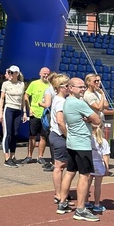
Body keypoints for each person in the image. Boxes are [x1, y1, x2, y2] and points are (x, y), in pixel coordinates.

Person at [58, 77, 102, 222]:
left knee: (70, 172)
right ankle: (81, 209)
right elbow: (97, 120)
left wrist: (87, 118)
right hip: (82, 144)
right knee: (85, 176)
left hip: (72, 142)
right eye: (80, 87)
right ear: (70, 88)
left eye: (83, 87)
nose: (83, 89)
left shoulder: (67, 102)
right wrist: (89, 119)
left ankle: (62, 203)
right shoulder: (78, 103)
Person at [83, 73, 114, 176]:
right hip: (93, 123)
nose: (98, 83)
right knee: (95, 143)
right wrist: (102, 97)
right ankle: (93, 166)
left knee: (102, 143)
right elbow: (99, 107)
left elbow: (106, 105)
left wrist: (102, 97)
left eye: (98, 81)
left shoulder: (97, 93)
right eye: (95, 81)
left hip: (100, 120)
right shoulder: (88, 95)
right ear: (88, 82)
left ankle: (105, 167)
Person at [0, 65, 27, 167]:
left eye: (12, 72)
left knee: (15, 133)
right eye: (9, 72)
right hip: (9, 109)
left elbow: (22, 99)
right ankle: (7, 158)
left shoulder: (21, 84)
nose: (10, 74)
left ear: (17, 74)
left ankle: (12, 155)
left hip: (18, 109)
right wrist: (1, 112)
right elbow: (2, 98)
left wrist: (24, 112)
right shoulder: (5, 84)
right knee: (8, 133)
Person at [49, 73, 71, 209]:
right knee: (60, 166)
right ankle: (59, 194)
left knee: (60, 165)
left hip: (56, 135)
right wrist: (68, 136)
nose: (69, 87)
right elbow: (60, 122)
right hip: (59, 136)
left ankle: (61, 193)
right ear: (60, 87)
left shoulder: (58, 99)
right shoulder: (61, 101)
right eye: (67, 85)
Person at [23, 67, 50, 164]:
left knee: (43, 136)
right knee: (32, 136)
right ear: (40, 73)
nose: (46, 75)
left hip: (46, 115)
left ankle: (40, 157)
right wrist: (29, 108)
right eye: (44, 73)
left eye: (47, 74)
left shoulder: (50, 85)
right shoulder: (34, 84)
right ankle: (29, 156)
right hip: (35, 114)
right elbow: (26, 95)